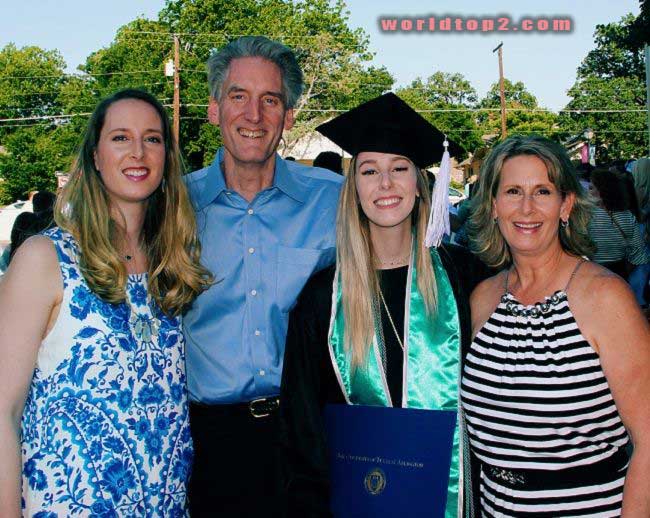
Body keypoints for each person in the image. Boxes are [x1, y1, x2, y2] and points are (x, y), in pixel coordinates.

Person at [0, 88, 212, 516]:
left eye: (152, 139)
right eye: (120, 138)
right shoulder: (45, 258)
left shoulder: (172, 267)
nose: (138, 152)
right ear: (95, 156)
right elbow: (3, 410)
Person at [280, 93, 487, 517]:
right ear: (353, 186)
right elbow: (304, 425)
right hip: (361, 502)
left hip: (458, 496)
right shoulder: (323, 297)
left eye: (399, 168)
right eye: (370, 170)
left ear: (419, 181)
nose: (386, 184)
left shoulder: (467, 277)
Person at [182, 36, 343, 517]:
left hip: (311, 439)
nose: (253, 115)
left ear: (288, 117)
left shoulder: (334, 202)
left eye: (269, 100)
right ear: (214, 109)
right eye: (238, 96)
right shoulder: (174, 209)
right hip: (209, 445)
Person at [462, 135, 650, 516]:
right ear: (494, 206)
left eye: (543, 192)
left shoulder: (604, 298)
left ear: (565, 205)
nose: (527, 208)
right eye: (513, 191)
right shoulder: (482, 299)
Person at [587, 167, 647, 279]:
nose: (587, 192)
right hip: (619, 274)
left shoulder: (586, 216)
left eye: (591, 188)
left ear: (602, 191)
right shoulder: (628, 216)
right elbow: (638, 254)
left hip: (590, 274)